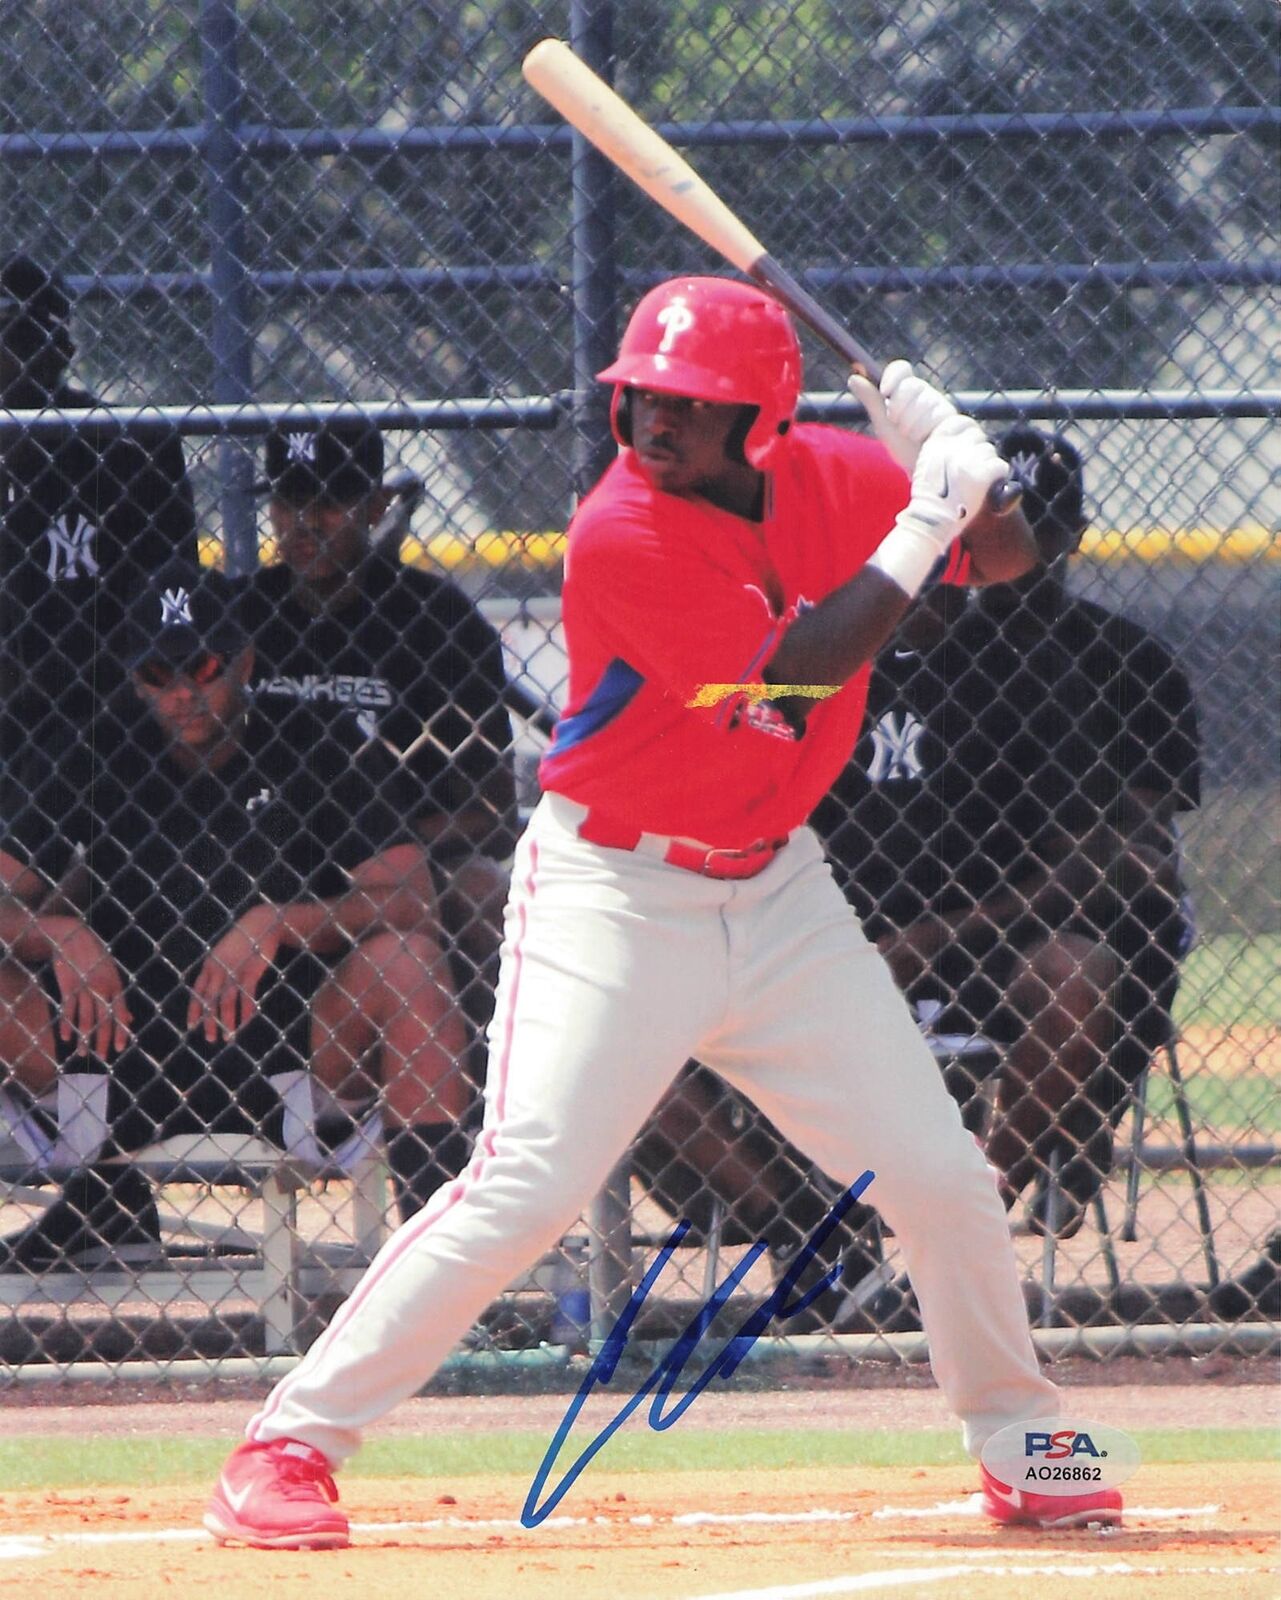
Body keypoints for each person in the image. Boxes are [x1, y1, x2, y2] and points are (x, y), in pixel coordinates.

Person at [207, 276, 1122, 1547]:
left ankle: (1027, 1438)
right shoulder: (618, 530)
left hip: (779, 889)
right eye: (640, 396)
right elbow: (790, 681)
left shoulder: (839, 477)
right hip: (616, 894)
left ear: (763, 423)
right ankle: (287, 1443)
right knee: (524, 1183)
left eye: (689, 406)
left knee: (941, 1178)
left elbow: (1010, 562)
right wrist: (927, 517)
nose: (649, 422)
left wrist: (977, 474)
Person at [0, 563, 470, 1271]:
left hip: (284, 1045)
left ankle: (444, 1261)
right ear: (135, 680)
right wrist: (55, 931)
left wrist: (281, 920)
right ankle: (108, 1203)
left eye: (205, 668)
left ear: (245, 662)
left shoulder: (309, 738)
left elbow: (412, 900)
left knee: (408, 961)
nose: (184, 694)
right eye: (159, 676)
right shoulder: (97, 745)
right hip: (115, 1041)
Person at [816, 427, 1201, 1238]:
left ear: (1071, 535)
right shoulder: (855, 655)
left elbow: (1125, 852)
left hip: (1017, 924)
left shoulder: (1114, 660)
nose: (1029, 555)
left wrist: (939, 930)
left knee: (1117, 930)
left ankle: (1044, 1144)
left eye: (1046, 531)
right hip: (872, 931)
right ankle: (821, 1225)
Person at [239, 418, 518, 1062]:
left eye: (330, 501)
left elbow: (493, 813)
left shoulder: (436, 621)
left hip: (396, 865)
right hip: (253, 856)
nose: (305, 522)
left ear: (375, 506)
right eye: (288, 500)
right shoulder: (242, 613)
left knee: (481, 893)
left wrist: (379, 856)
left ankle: (487, 1094)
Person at [0, 255, 197, 785]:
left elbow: (169, 620)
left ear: (59, 349)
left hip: (97, 731)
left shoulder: (130, 452)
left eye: (14, 339)